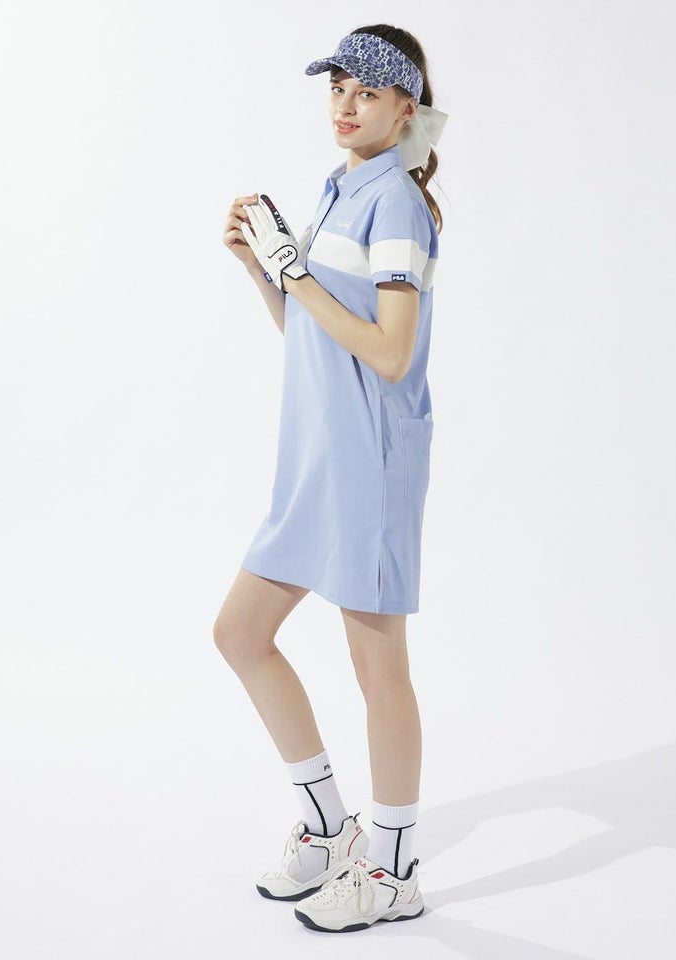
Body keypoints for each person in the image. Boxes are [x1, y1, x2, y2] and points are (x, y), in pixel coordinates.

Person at [214, 23, 446, 934]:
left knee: (376, 665)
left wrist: (297, 275)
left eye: (367, 92)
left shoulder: (398, 204)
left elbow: (390, 355)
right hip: (315, 458)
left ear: (404, 108)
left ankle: (393, 871)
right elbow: (315, 340)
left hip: (372, 464)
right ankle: (328, 826)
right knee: (241, 634)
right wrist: (262, 272)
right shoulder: (340, 188)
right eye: (337, 88)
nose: (346, 106)